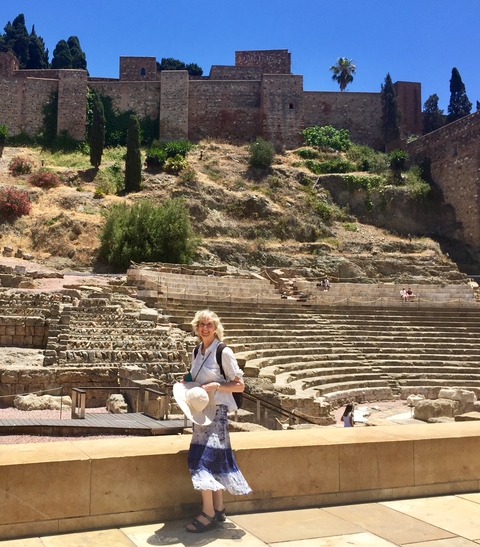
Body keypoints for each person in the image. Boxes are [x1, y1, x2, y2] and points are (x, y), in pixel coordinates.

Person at [174, 309, 251, 533]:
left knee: (201, 460)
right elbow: (195, 375)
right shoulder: (197, 351)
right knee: (213, 459)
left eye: (209, 324)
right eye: (201, 324)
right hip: (200, 412)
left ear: (215, 327)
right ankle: (218, 509)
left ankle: (207, 513)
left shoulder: (223, 352)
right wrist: (187, 379)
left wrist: (216, 385)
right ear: (196, 327)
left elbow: (240, 385)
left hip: (216, 414)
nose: (205, 328)